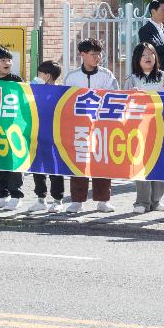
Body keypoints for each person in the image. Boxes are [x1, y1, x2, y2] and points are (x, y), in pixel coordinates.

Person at [62, 39, 119, 213]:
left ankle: (103, 200)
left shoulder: (107, 75)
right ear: (83, 55)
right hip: (79, 127)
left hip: (102, 126)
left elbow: (115, 97)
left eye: (99, 54)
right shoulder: (72, 77)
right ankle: (77, 200)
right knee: (79, 162)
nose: (97, 57)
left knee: (102, 161)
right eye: (93, 54)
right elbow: (65, 102)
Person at [125, 42, 164, 214]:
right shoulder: (132, 79)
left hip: (161, 125)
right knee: (141, 163)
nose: (148, 58)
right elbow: (123, 103)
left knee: (160, 163)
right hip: (139, 128)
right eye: (144, 55)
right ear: (137, 59)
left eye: (151, 54)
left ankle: (156, 200)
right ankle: (141, 202)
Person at [0, 48, 26, 209]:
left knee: (15, 162)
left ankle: (16, 195)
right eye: (3, 60)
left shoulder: (17, 80)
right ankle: (0, 195)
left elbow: (25, 104)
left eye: (9, 60)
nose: (7, 63)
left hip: (15, 128)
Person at [29, 60, 66, 213]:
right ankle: (40, 198)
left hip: (55, 135)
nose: (38, 76)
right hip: (37, 134)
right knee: (37, 166)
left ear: (48, 76)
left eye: (40, 74)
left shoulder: (61, 91)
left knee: (54, 168)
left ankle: (57, 200)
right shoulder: (36, 90)